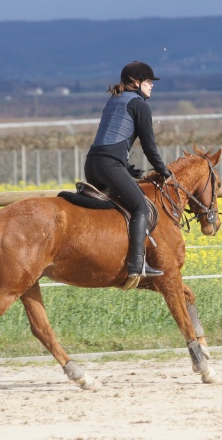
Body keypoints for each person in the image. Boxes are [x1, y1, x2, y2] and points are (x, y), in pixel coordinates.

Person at [85, 61, 172, 285]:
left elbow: (111, 141)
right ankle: (137, 264)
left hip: (93, 165)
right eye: (149, 81)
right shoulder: (140, 105)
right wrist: (164, 171)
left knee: (119, 209)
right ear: (136, 82)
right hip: (109, 166)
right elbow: (149, 146)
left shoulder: (114, 100)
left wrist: (128, 168)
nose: (152, 85)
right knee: (141, 206)